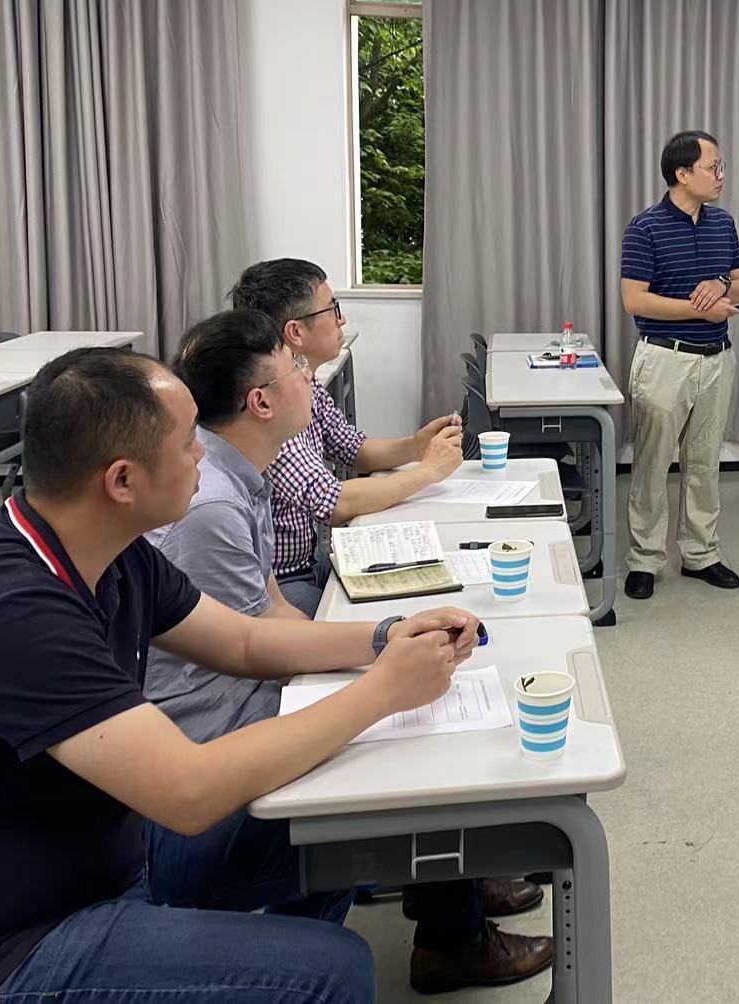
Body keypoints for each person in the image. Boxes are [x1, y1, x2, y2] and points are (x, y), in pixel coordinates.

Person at [0, 346, 481, 1003]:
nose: (203, 453)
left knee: (336, 825)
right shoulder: (11, 611)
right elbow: (188, 791)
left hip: (106, 859)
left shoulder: (109, 549)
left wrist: (384, 637)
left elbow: (243, 641)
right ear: (122, 481)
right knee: (332, 972)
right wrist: (383, 692)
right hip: (1, 953)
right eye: (186, 444)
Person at [145, 312, 555, 993]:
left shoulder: (239, 475)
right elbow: (255, 652)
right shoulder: (211, 499)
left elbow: (267, 622)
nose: (312, 379)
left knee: (411, 705)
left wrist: (384, 638)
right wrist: (378, 680)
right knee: (412, 746)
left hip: (246, 704)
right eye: (297, 370)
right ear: (261, 401)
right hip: (223, 745)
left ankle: (445, 902)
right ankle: (443, 927)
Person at [227, 259, 463, 602]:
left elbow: (351, 448)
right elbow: (334, 502)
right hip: (286, 580)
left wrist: (417, 445)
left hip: (311, 560)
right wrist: (428, 471)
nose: (342, 319)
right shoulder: (272, 405)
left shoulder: (305, 382)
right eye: (332, 308)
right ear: (296, 332)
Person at [619, 130, 739, 601]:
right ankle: (644, 560)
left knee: (704, 462)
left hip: (717, 360)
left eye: (720, 166)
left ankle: (701, 554)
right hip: (664, 358)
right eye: (712, 167)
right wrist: (702, 309)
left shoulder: (723, 224)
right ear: (682, 173)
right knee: (652, 464)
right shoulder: (644, 227)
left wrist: (722, 286)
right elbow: (635, 300)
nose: (720, 176)